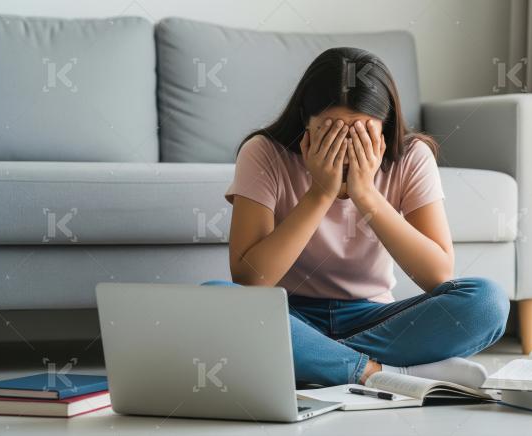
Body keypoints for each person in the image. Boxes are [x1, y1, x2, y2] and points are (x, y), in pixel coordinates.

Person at [205, 47, 508, 389]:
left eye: (361, 133)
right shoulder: (264, 152)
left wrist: (366, 195)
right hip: (289, 315)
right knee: (216, 300)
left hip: (376, 318)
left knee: (487, 301)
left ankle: (316, 363)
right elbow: (250, 281)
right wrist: (320, 194)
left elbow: (438, 275)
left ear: (384, 126)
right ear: (306, 122)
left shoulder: (411, 157)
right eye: (332, 132)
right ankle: (377, 374)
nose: (346, 147)